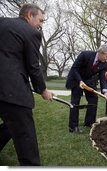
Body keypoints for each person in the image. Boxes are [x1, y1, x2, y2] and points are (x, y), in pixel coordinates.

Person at [0, 4, 54, 166]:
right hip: (11, 91)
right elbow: (33, 66)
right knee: (25, 135)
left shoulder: (2, 22)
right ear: (30, 15)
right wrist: (43, 90)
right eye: (41, 20)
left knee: (11, 125)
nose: (41, 25)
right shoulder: (31, 32)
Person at [65, 44, 107, 133]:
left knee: (94, 98)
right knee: (75, 102)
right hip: (76, 79)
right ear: (100, 53)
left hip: (89, 81)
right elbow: (74, 69)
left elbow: (102, 78)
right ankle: (73, 126)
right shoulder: (85, 55)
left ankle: (89, 122)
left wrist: (105, 91)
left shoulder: (104, 64)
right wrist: (80, 81)